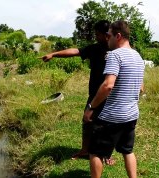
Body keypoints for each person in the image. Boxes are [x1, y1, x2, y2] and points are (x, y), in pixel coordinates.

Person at [41, 20, 112, 161]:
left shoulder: (118, 51)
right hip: (94, 94)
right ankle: (85, 150)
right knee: (87, 121)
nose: (96, 37)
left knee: (108, 126)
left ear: (106, 35)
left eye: (98, 34)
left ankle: (106, 155)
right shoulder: (95, 48)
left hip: (111, 95)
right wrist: (54, 54)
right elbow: (75, 51)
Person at [83, 20, 145, 178]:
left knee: (95, 152)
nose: (106, 38)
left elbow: (108, 86)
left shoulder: (115, 55)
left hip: (112, 117)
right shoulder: (138, 56)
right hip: (131, 115)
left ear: (118, 36)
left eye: (108, 35)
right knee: (128, 151)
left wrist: (91, 107)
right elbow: (141, 88)